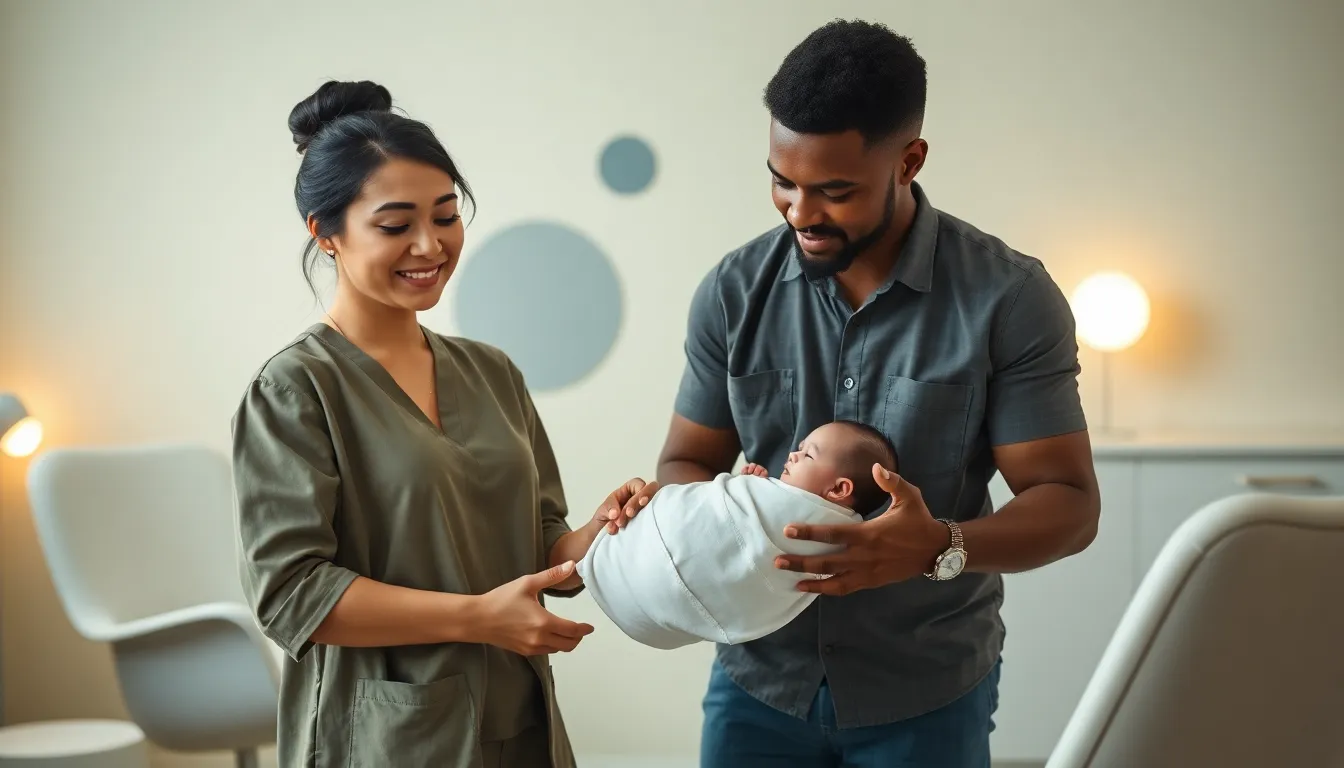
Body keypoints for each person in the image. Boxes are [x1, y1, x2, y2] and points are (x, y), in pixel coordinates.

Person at [639, 19, 1102, 768]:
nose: (799, 212)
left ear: (909, 160)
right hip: (757, 682)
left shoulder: (1008, 298)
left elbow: (1068, 501)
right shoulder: (732, 291)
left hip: (925, 691)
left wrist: (940, 546)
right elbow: (685, 463)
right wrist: (724, 512)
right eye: (782, 181)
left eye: (834, 191)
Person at [229, 79, 653, 768]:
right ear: (325, 233)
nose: (430, 245)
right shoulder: (296, 388)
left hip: (521, 721)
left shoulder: (492, 372)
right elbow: (292, 593)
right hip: (384, 735)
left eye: (447, 216)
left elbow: (540, 546)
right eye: (395, 225)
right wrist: (479, 618)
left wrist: (601, 532)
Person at [578, 420, 896, 650]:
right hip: (733, 650)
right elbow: (736, 516)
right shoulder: (831, 527)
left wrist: (747, 489)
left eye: (808, 455)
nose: (793, 456)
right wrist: (745, 487)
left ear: (840, 489)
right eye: (798, 449)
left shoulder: (842, 539)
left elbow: (764, 541)